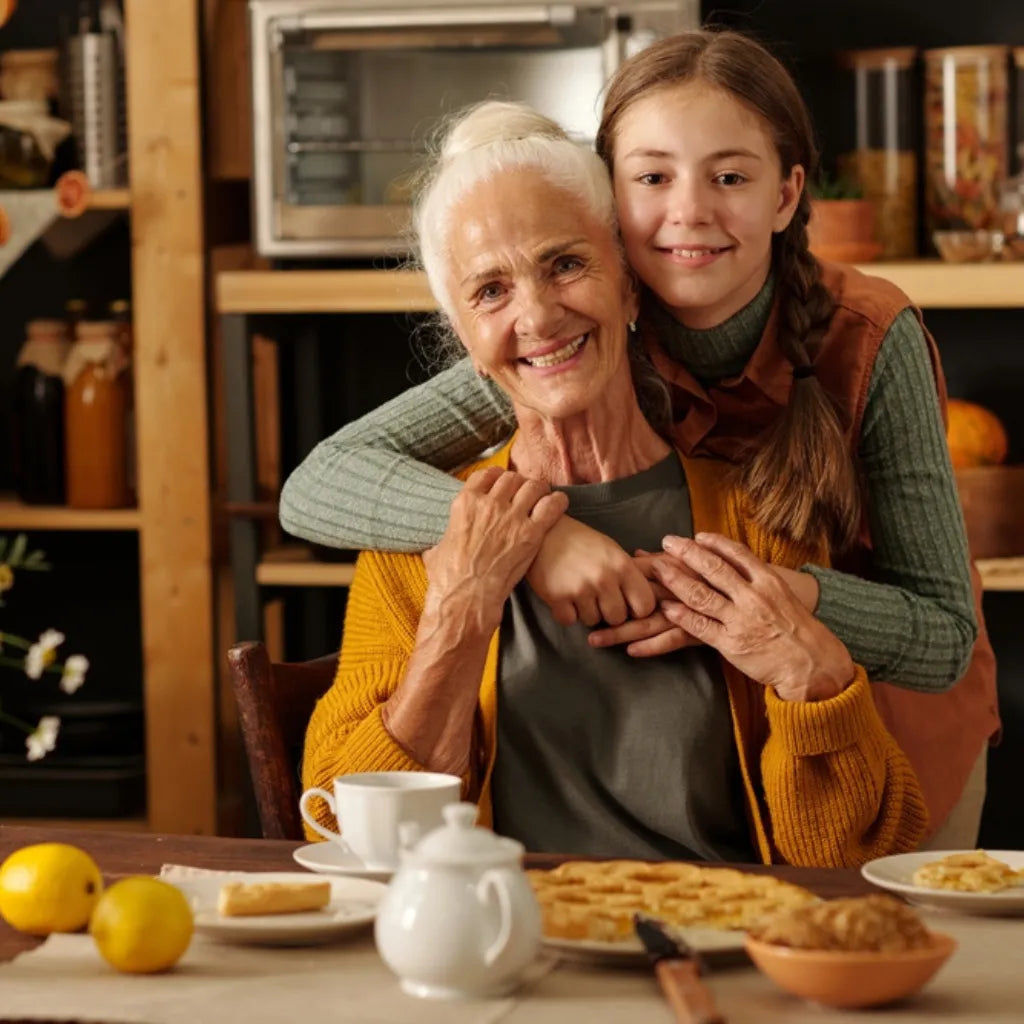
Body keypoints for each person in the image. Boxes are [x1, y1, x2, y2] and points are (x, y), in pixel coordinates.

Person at [285, 30, 999, 848]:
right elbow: (321, 482)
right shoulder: (562, 333)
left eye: (730, 175)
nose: (689, 212)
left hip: (890, 712)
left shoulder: (865, 335)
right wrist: (543, 540)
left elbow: (940, 640)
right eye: (653, 177)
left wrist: (778, 604)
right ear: (618, 217)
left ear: (787, 193)